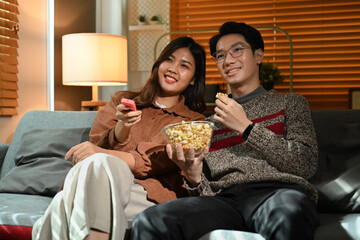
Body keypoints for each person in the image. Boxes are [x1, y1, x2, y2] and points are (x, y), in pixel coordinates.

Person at [131, 22, 319, 240]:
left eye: (237, 50)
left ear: (259, 55)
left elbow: (305, 164)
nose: (228, 60)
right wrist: (193, 177)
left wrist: (246, 127)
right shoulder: (208, 123)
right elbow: (206, 189)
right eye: (220, 55)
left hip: (276, 193)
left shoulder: (291, 104)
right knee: (151, 220)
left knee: (289, 211)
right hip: (224, 201)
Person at [32, 36, 207, 240]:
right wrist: (122, 127)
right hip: (96, 180)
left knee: (72, 195)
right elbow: (96, 143)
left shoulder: (193, 122)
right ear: (159, 63)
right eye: (169, 59)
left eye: (184, 65)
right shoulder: (121, 100)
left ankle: (47, 224)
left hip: (146, 194)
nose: (173, 68)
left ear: (194, 78)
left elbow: (154, 161)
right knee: (96, 169)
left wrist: (101, 154)